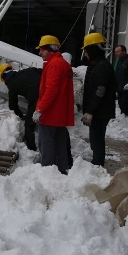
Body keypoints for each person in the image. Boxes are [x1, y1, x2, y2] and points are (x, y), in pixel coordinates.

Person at [32, 35, 74, 174]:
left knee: (46, 144)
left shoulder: (54, 65)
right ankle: (62, 170)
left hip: (51, 114)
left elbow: (51, 90)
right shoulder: (63, 64)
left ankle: (47, 172)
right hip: (60, 114)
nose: (40, 53)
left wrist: (39, 109)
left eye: (42, 50)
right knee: (60, 144)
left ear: (50, 49)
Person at [81, 33, 117, 167]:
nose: (85, 54)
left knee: (97, 139)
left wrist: (90, 111)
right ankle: (97, 163)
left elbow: (99, 91)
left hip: (100, 112)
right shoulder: (97, 65)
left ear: (92, 49)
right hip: (98, 110)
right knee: (95, 139)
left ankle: (97, 165)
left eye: (86, 51)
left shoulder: (102, 66)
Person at [0, 64, 41, 151]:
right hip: (50, 94)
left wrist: (21, 116)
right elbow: (43, 71)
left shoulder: (12, 84)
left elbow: (12, 106)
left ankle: (31, 151)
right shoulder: (28, 70)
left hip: (36, 101)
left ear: (3, 77)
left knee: (29, 125)